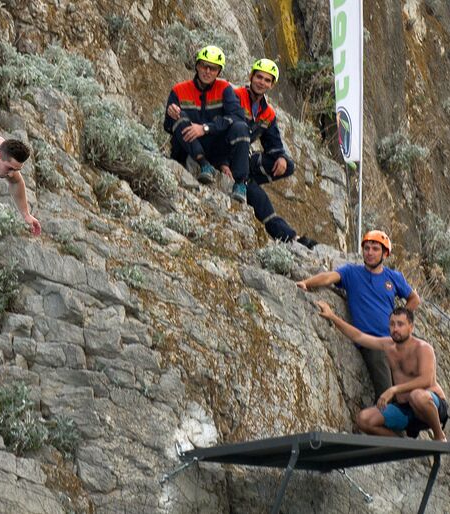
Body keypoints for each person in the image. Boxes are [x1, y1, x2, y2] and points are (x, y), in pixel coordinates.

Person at [296, 230, 420, 397]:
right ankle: (382, 420)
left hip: (395, 341)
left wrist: (401, 321)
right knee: (386, 392)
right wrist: (306, 282)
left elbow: (414, 299)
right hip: (372, 342)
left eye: (375, 249)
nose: (369, 252)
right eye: (366, 248)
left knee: (409, 393)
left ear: (385, 253)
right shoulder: (351, 273)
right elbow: (328, 277)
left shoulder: (394, 277)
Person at [316, 301, 448, 441]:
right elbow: (358, 336)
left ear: (411, 327)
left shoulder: (423, 348)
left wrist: (393, 390)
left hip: (431, 407)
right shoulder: (387, 345)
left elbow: (426, 380)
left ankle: (439, 436)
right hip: (405, 410)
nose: (395, 329)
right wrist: (332, 316)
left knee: (417, 395)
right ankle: (402, 444)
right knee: (363, 419)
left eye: (400, 324)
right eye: (392, 324)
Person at [227, 58, 316, 248]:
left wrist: (281, 157)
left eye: (267, 80)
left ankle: (291, 238)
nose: (262, 82)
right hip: (224, 155)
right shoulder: (235, 95)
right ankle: (242, 181)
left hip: (243, 164)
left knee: (285, 168)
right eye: (259, 77)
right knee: (241, 129)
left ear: (272, 84)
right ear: (251, 76)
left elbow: (273, 144)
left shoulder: (267, 113)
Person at [163, 45, 249, 185]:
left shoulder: (224, 89)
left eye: (213, 68)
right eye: (204, 66)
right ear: (197, 66)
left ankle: (240, 183)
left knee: (241, 128)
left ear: (218, 72)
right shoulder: (179, 90)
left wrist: (205, 128)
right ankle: (203, 164)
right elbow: (168, 127)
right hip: (187, 148)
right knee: (178, 116)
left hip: (215, 149)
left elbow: (238, 116)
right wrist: (170, 114)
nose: (207, 71)